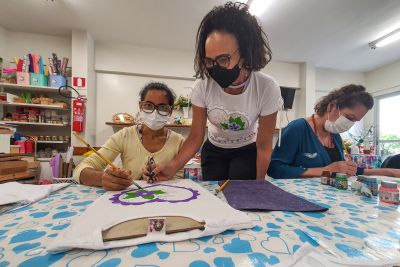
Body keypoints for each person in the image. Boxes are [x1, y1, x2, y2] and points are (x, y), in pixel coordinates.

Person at [152, 2, 281, 181]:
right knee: (214, 196)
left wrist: (259, 184)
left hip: (246, 150)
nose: (215, 69)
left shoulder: (267, 88)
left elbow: (264, 144)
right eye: (210, 61)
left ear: (246, 53)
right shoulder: (202, 86)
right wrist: (172, 167)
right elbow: (196, 136)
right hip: (214, 149)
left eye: (223, 59)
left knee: (242, 194)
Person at [267, 84, 400, 179]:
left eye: (354, 121)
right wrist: (325, 170)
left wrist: (390, 172)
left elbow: (340, 170)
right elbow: (275, 169)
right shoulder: (298, 129)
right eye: (349, 117)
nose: (348, 124)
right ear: (332, 106)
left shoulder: (335, 136)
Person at [73, 82, 185, 190]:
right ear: (140, 106)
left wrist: (166, 177)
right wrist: (102, 178)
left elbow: (182, 179)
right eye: (148, 106)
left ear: (170, 111)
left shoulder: (179, 141)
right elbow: (80, 170)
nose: (154, 113)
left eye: (162, 107)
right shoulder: (125, 135)